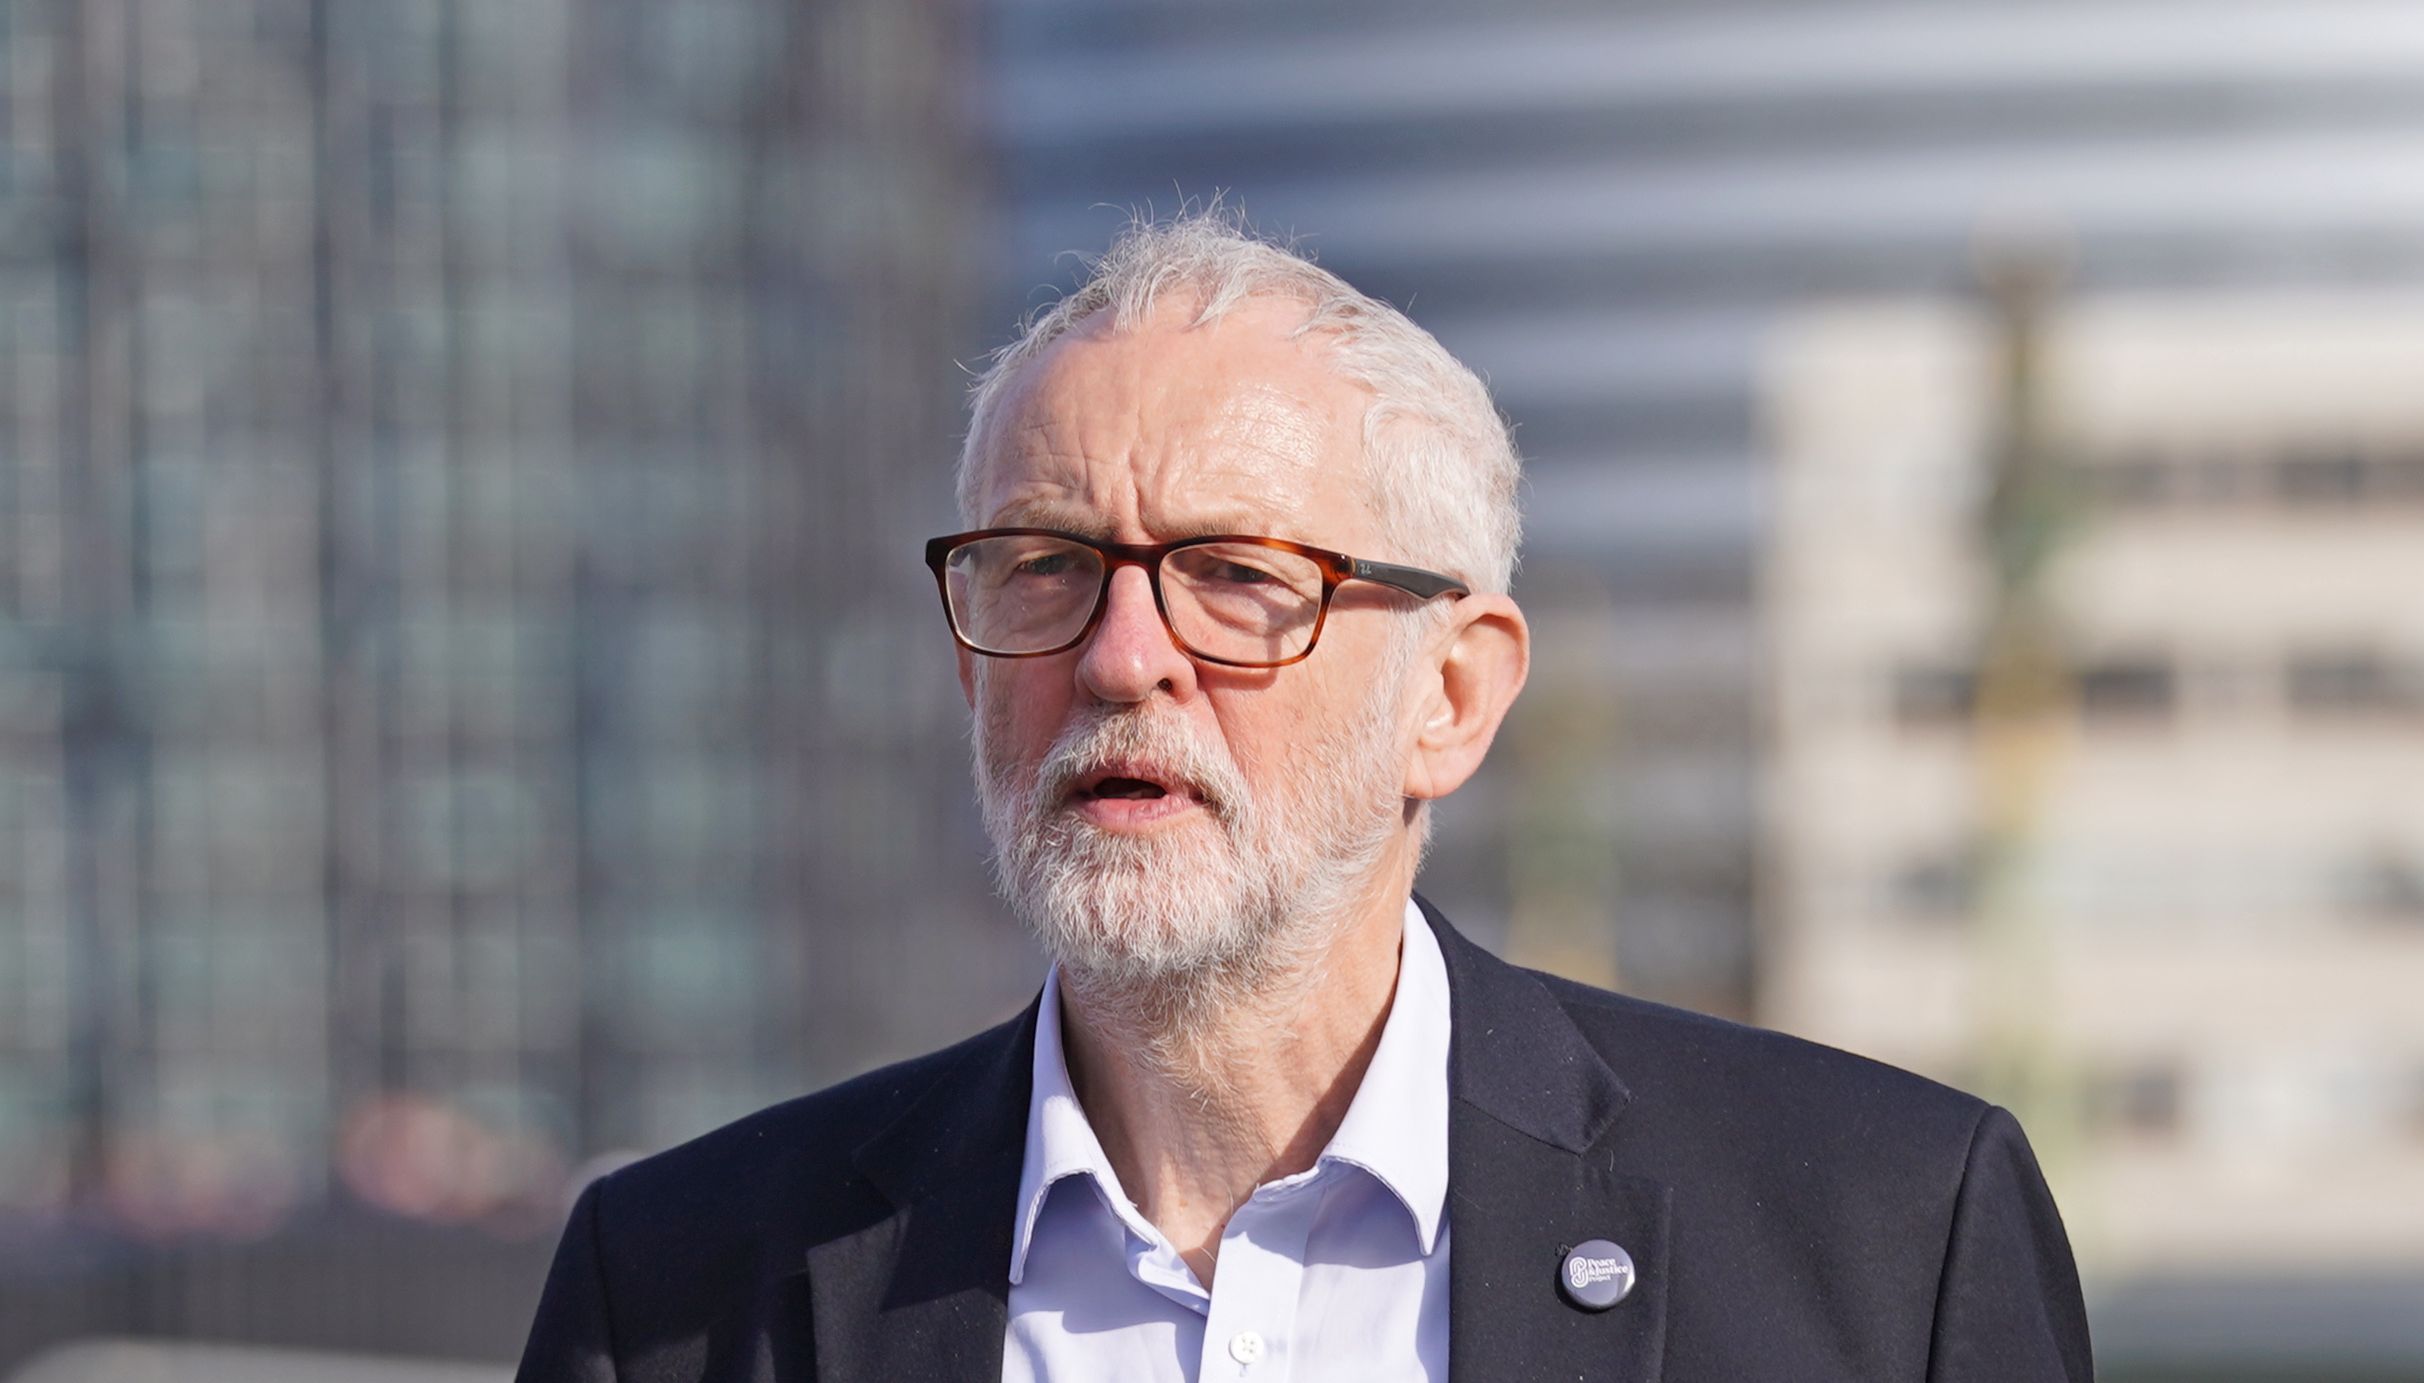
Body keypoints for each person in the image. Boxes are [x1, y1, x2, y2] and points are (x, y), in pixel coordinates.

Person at [515, 214, 2093, 1382]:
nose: (1126, 657)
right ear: (968, 666)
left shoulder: (1883, 1247)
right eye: (1049, 567)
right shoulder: (678, 1290)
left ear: (1454, 694)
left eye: (1236, 579)